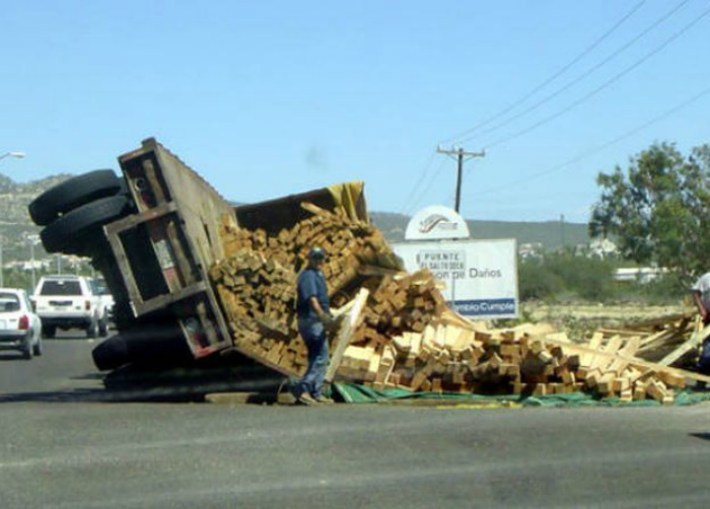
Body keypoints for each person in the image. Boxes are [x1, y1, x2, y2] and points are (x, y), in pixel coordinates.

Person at [292, 246, 336, 405]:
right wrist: (323, 316)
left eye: (321, 258)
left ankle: (315, 392)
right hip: (311, 321)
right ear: (309, 259)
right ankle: (302, 389)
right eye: (315, 258)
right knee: (321, 355)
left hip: (316, 321)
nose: (319, 261)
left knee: (317, 356)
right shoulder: (308, 276)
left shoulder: (319, 274)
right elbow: (312, 299)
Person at [690, 272, 710, 375]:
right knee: (708, 351)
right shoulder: (707, 277)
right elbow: (695, 292)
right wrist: (701, 308)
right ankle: (701, 380)